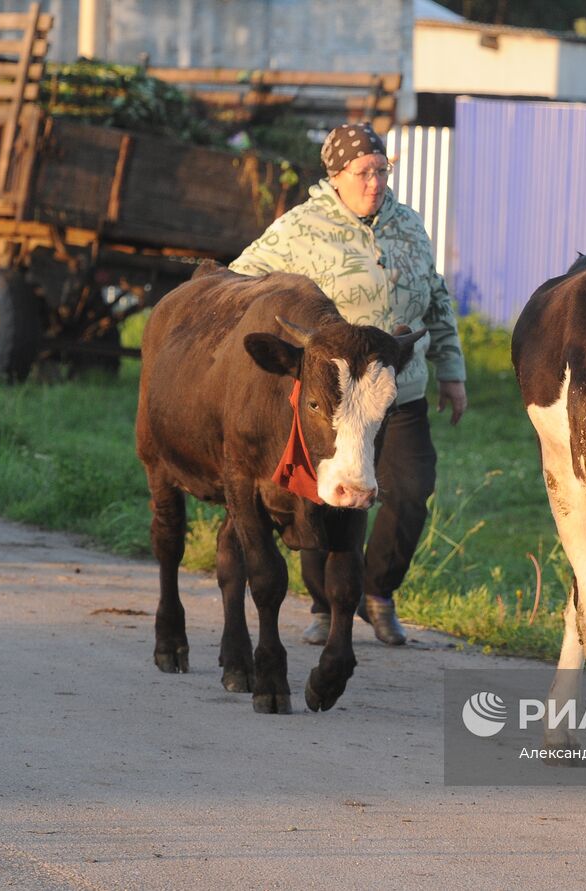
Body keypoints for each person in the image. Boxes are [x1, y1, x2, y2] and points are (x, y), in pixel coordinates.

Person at [229, 123, 467, 646]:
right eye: (364, 172)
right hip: (331, 399)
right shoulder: (301, 227)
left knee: (410, 490)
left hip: (395, 391)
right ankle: (322, 604)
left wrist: (451, 371)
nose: (376, 181)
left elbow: (435, 299)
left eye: (382, 170)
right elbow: (243, 279)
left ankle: (376, 593)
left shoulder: (408, 224)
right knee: (323, 497)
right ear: (336, 176)